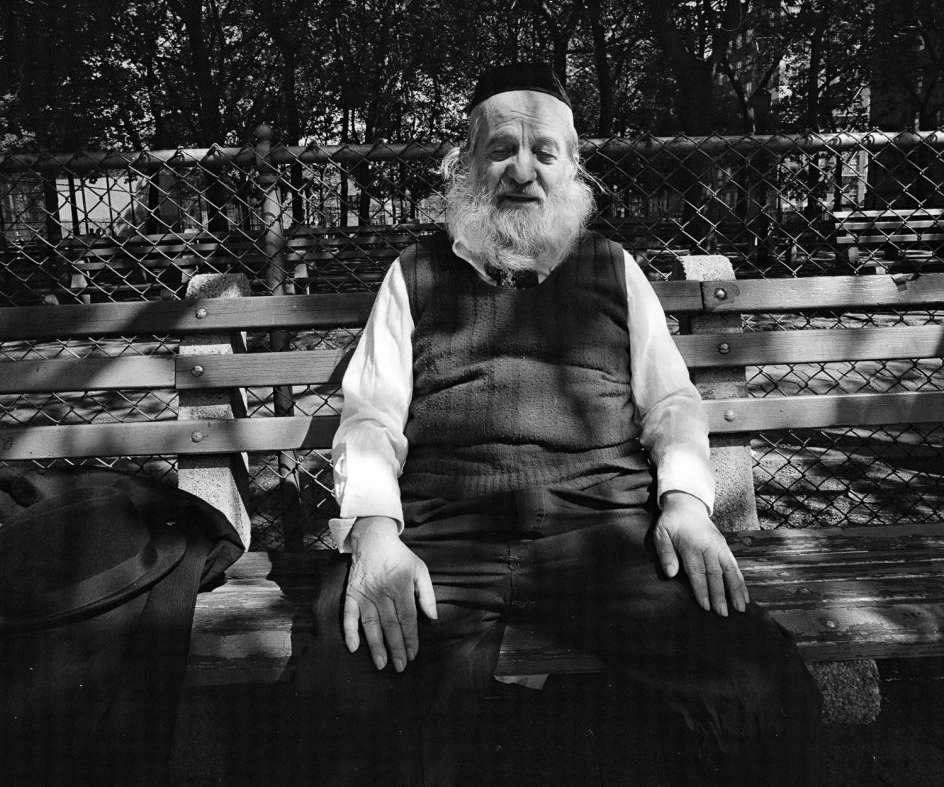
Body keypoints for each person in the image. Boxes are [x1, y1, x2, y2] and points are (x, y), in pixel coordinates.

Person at [292, 63, 822, 786]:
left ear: (573, 168)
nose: (521, 170)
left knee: (758, 687)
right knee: (345, 688)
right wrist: (378, 533)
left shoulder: (612, 268)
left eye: (544, 152)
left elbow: (670, 404)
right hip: (445, 529)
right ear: (466, 165)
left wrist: (687, 506)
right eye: (500, 149)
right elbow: (370, 417)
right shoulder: (414, 273)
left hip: (601, 530)